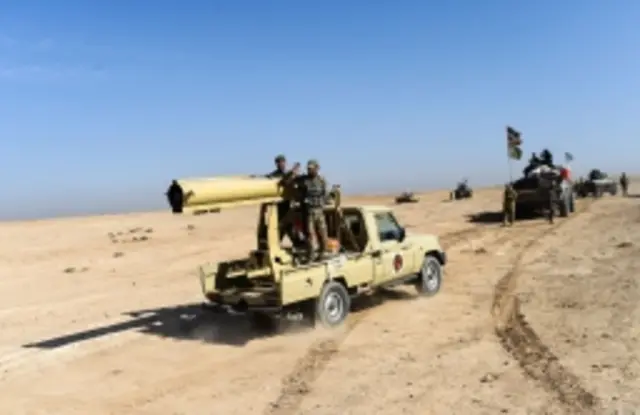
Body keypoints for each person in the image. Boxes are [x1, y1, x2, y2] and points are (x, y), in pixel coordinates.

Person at [296, 159, 330, 261]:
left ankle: (322, 253)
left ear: (317, 168)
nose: (309, 170)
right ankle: (311, 255)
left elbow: (326, 195)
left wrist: (325, 201)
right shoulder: (303, 180)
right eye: (308, 169)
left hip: (319, 211)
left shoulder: (322, 180)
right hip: (309, 212)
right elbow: (292, 181)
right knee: (310, 235)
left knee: (323, 234)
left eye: (311, 168)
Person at [265, 154, 302, 245]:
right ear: (276, 164)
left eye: (282, 162)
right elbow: (282, 182)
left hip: (288, 206)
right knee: (279, 229)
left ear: (285, 163)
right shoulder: (273, 176)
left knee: (291, 229)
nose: (281, 164)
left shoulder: (289, 175)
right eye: (279, 162)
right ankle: (274, 246)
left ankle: (297, 245)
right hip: (278, 207)